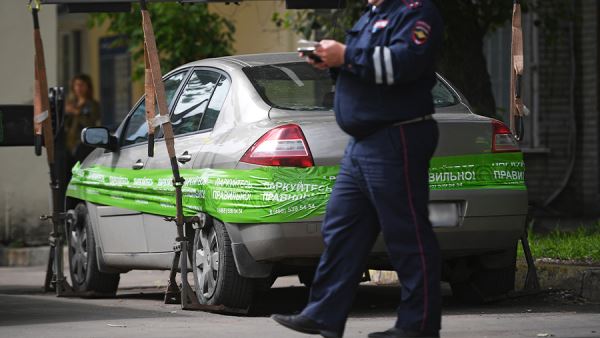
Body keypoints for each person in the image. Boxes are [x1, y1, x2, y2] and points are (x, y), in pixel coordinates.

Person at [271, 0, 443, 337]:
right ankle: (324, 314)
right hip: (362, 144)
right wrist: (332, 62)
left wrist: (346, 55)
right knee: (341, 230)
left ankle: (418, 326)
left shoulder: (417, 13)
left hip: (397, 135)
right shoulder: (372, 16)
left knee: (407, 236)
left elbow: (403, 64)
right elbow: (365, 67)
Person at [64, 74, 101, 171]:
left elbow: (90, 122)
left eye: (81, 85)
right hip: (69, 145)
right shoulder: (71, 103)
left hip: (84, 145)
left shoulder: (93, 104)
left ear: (87, 87)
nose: (78, 88)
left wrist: (76, 112)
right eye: (76, 85)